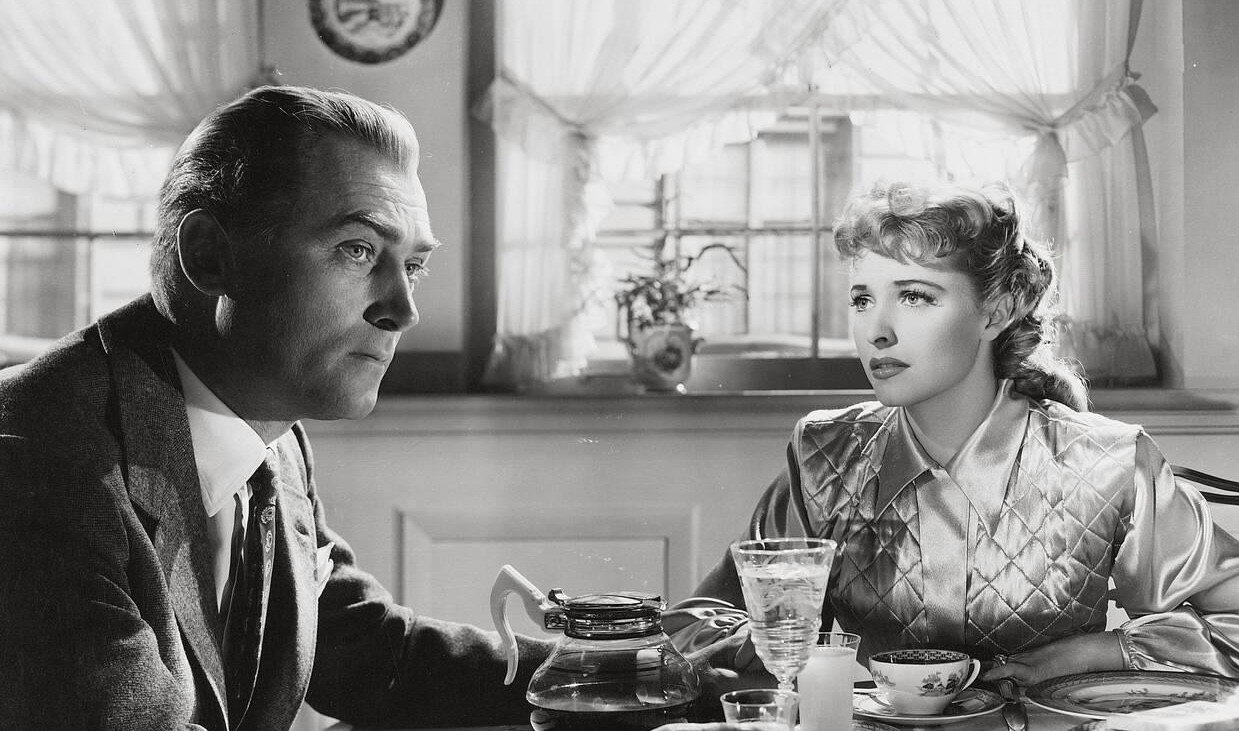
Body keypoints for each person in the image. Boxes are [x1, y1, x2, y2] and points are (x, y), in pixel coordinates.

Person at [0, 84, 753, 731]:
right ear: (209, 256)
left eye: (413, 265)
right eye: (358, 250)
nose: (403, 309)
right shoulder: (36, 462)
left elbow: (362, 649)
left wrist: (619, 674)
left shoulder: (266, 429)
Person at [669, 180, 1239, 689]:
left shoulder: (1106, 463)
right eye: (861, 299)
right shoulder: (824, 456)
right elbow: (701, 619)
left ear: (996, 311)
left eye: (915, 297)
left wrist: (1098, 651)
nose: (877, 330)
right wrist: (787, 647)